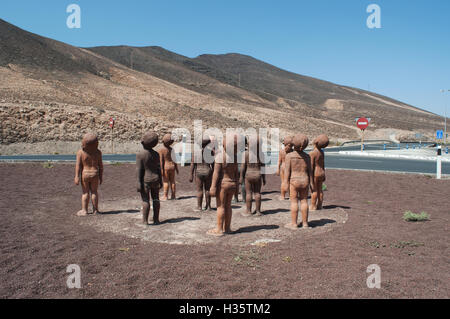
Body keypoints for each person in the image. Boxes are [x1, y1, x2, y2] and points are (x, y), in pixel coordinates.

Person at [207, 133, 240, 236]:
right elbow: (236, 174)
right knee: (228, 206)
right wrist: (237, 187)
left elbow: (216, 174)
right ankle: (227, 228)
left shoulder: (220, 156)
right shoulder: (235, 157)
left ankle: (219, 229)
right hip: (232, 184)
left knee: (220, 206)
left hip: (223, 184)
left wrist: (212, 187)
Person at [284, 134, 312, 229]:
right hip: (305, 180)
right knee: (304, 201)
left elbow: (287, 172)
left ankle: (294, 223)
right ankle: (305, 223)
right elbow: (310, 171)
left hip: (294, 181)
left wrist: (285, 183)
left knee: (294, 202)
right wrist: (312, 183)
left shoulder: (289, 156)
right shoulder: (307, 157)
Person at [136, 131, 163, 225]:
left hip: (146, 180)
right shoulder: (156, 154)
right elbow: (159, 169)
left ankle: (145, 221)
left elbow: (139, 170)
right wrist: (161, 181)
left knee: (145, 200)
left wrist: (139, 183)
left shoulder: (141, 155)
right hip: (155, 179)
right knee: (156, 199)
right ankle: (156, 219)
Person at [74, 133, 103, 216]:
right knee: (94, 192)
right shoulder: (98, 152)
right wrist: (101, 176)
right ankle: (95, 210)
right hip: (95, 173)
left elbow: (78, 166)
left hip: (85, 174)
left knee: (85, 193)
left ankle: (84, 210)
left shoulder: (81, 153)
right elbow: (100, 166)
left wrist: (76, 176)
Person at [240, 135, 265, 216]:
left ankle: (248, 211)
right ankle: (258, 211)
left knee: (248, 193)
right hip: (258, 175)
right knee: (257, 193)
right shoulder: (261, 154)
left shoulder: (245, 154)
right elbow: (263, 168)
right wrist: (264, 178)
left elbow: (243, 167)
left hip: (248, 175)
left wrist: (241, 177)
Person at [189, 137, 214, 211]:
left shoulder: (196, 152)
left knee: (199, 190)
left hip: (199, 172)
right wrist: (213, 172)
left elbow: (193, 164)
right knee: (207, 189)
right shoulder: (210, 152)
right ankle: (208, 206)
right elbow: (213, 163)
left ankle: (199, 207)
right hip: (208, 171)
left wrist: (191, 174)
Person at [309, 134, 329, 211]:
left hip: (315, 173)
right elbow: (323, 164)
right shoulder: (322, 153)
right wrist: (324, 174)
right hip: (321, 172)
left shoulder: (312, 153)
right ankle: (320, 205)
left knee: (314, 190)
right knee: (320, 190)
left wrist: (310, 177)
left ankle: (313, 206)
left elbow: (311, 166)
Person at [159, 133, 178, 200]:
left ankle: (165, 196)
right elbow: (175, 160)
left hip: (166, 167)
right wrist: (177, 168)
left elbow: (161, 161)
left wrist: (161, 170)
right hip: (172, 166)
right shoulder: (172, 149)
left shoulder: (161, 150)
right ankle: (173, 195)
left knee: (166, 181)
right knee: (172, 181)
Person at [276, 136, 293, 200]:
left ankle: (283, 196)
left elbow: (279, 161)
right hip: (289, 167)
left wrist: (278, 169)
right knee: (290, 182)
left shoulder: (281, 151)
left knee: (283, 182)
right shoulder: (292, 152)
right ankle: (291, 196)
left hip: (283, 167)